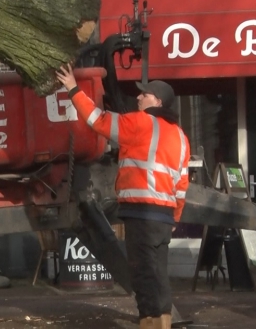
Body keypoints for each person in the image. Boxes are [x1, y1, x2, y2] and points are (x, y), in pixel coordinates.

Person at [56, 64, 190, 329]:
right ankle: (163, 324)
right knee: (159, 275)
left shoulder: (140, 123)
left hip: (141, 213)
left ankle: (150, 325)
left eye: (145, 94)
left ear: (158, 101)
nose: (138, 97)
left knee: (142, 276)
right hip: (163, 217)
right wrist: (174, 217)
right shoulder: (181, 137)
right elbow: (182, 185)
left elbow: (99, 120)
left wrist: (72, 88)